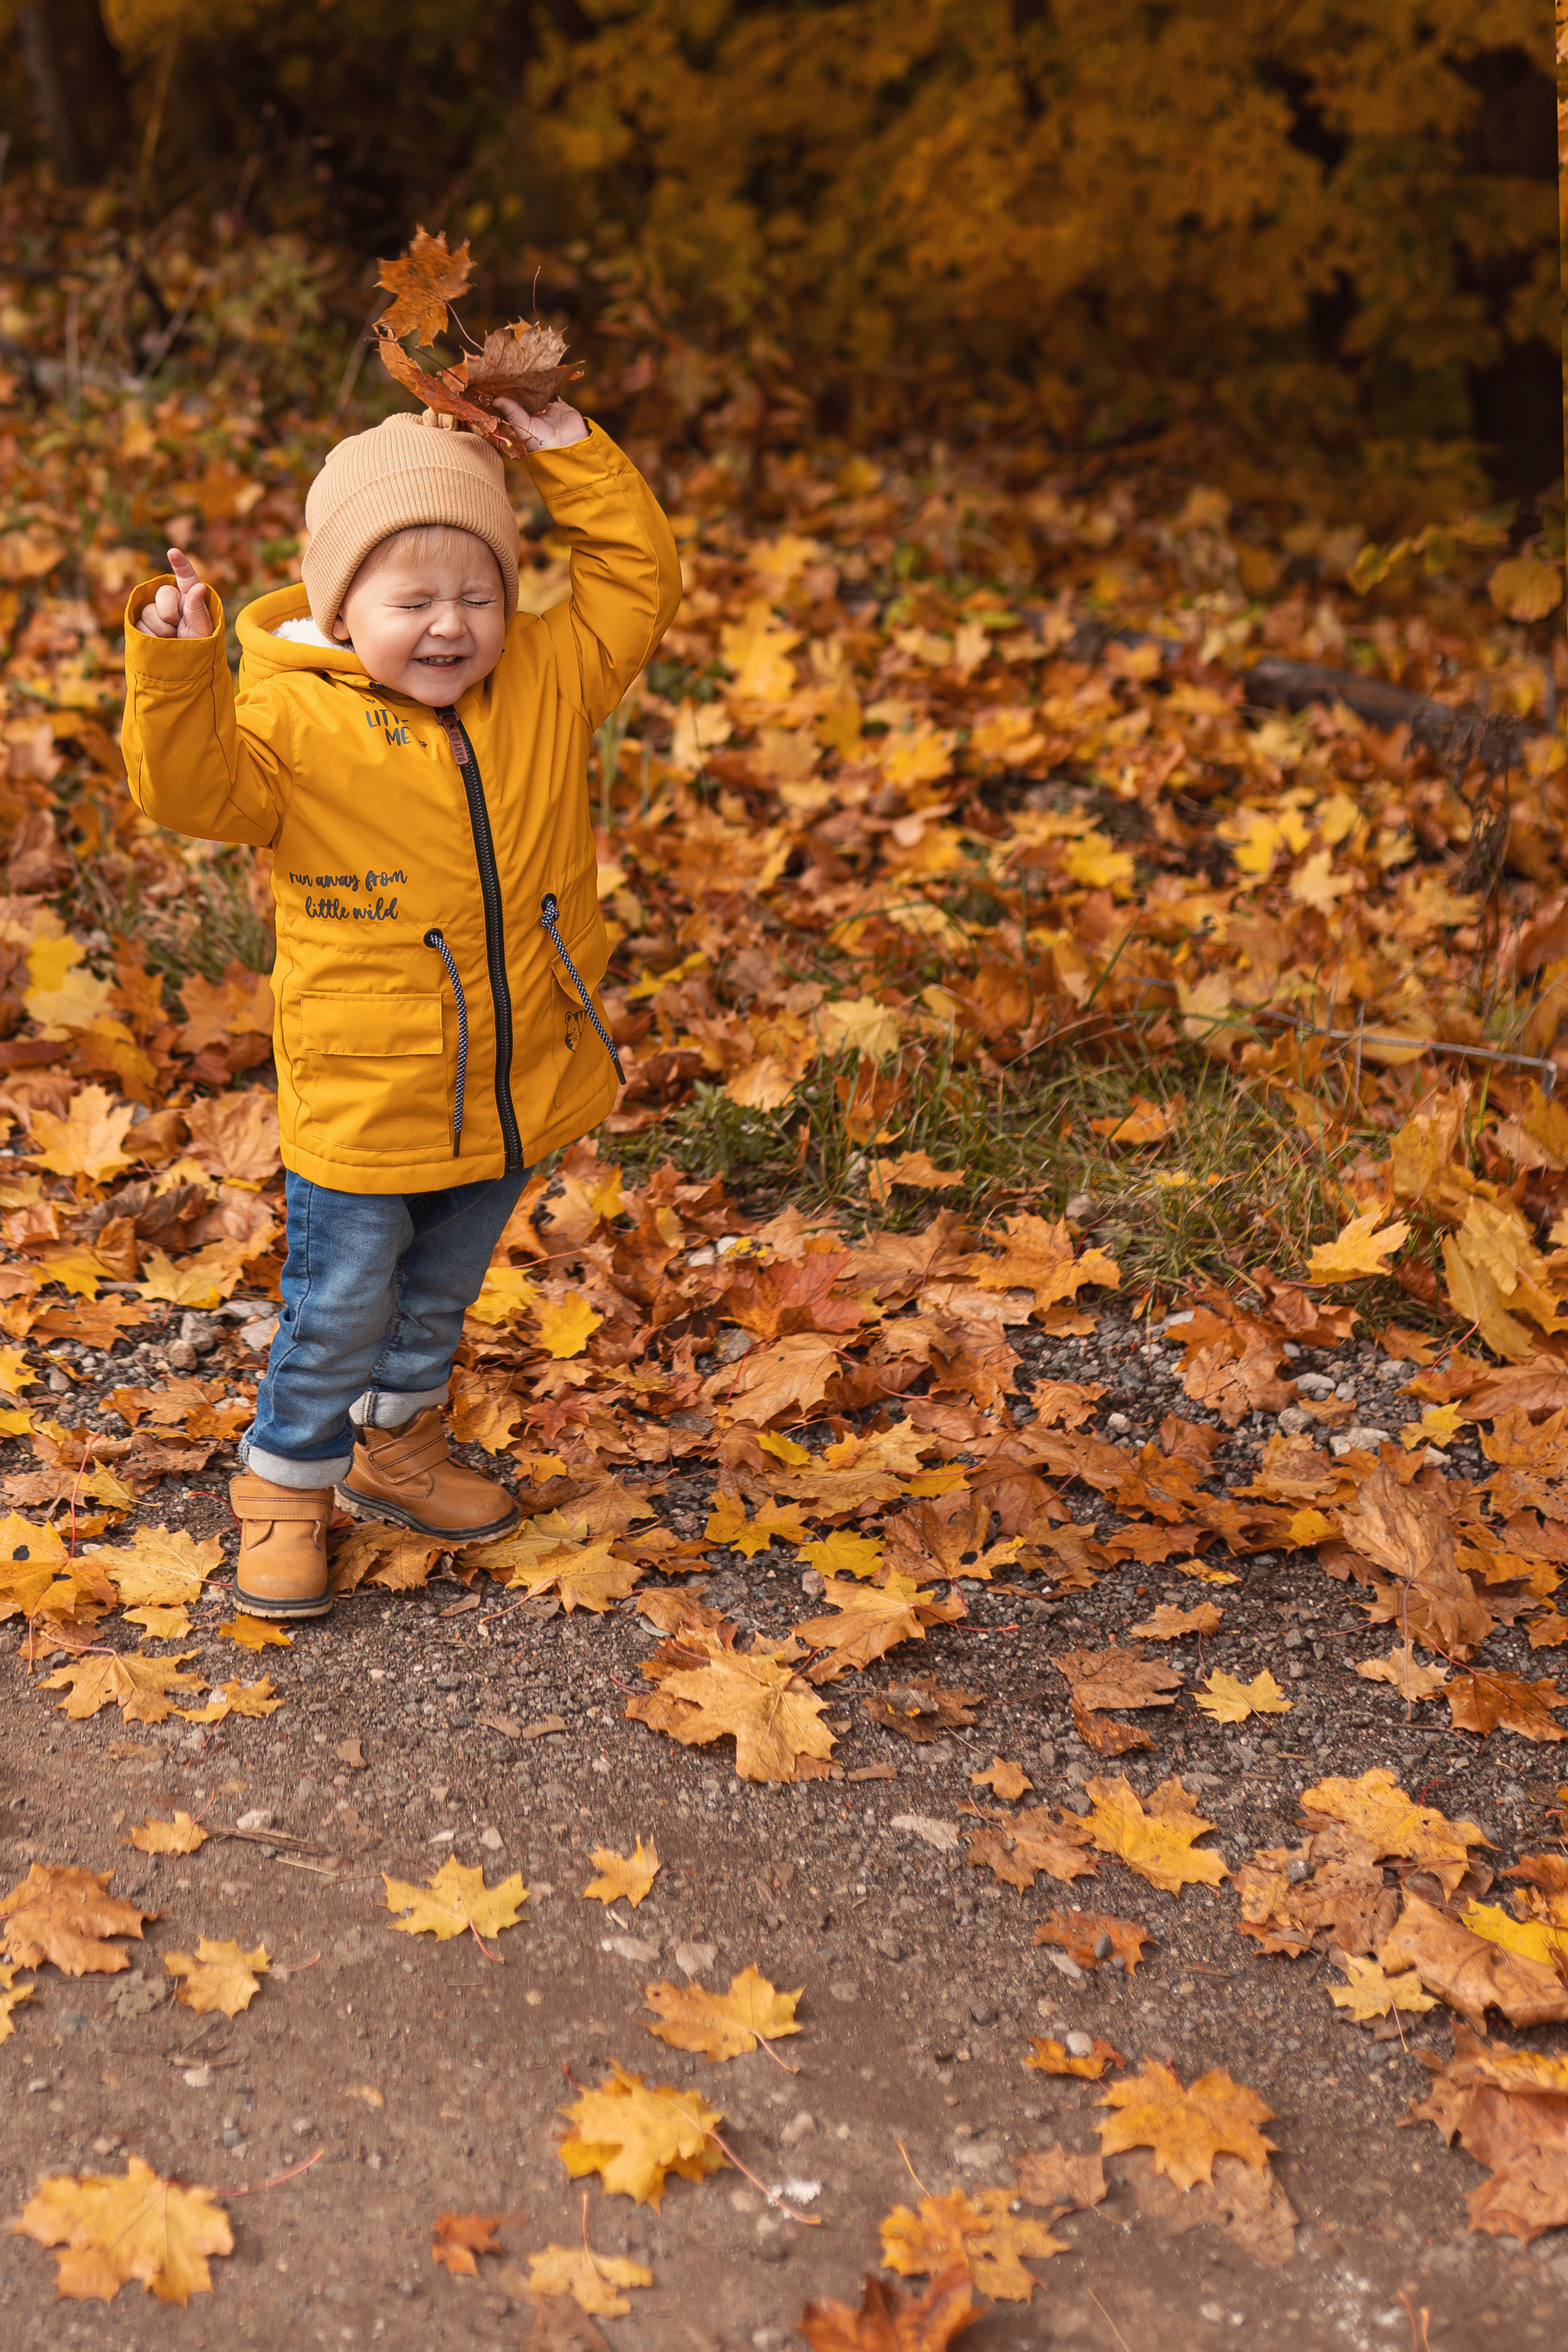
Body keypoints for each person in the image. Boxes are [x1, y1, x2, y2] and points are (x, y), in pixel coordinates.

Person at [123, 394, 680, 1621]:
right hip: (368, 1086)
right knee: (340, 1304)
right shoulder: (285, 716)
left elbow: (637, 579)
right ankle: (283, 1490)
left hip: (511, 1069)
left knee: (438, 1292)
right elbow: (187, 787)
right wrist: (178, 664)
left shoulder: (547, 677)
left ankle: (397, 1447)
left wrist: (569, 459)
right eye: (411, 601)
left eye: (476, 596)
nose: (450, 626)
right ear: (335, 608)